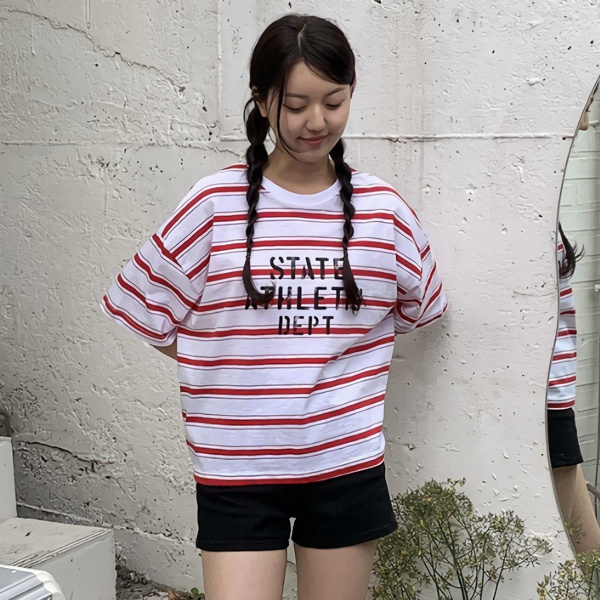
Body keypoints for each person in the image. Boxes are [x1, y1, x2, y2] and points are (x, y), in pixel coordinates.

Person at [102, 14, 447, 600]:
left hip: (344, 463)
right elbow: (143, 306)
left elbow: (421, 308)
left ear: (352, 91)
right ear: (262, 101)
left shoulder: (383, 211)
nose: (317, 122)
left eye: (333, 102)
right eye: (295, 105)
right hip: (237, 470)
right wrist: (224, 362)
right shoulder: (215, 204)